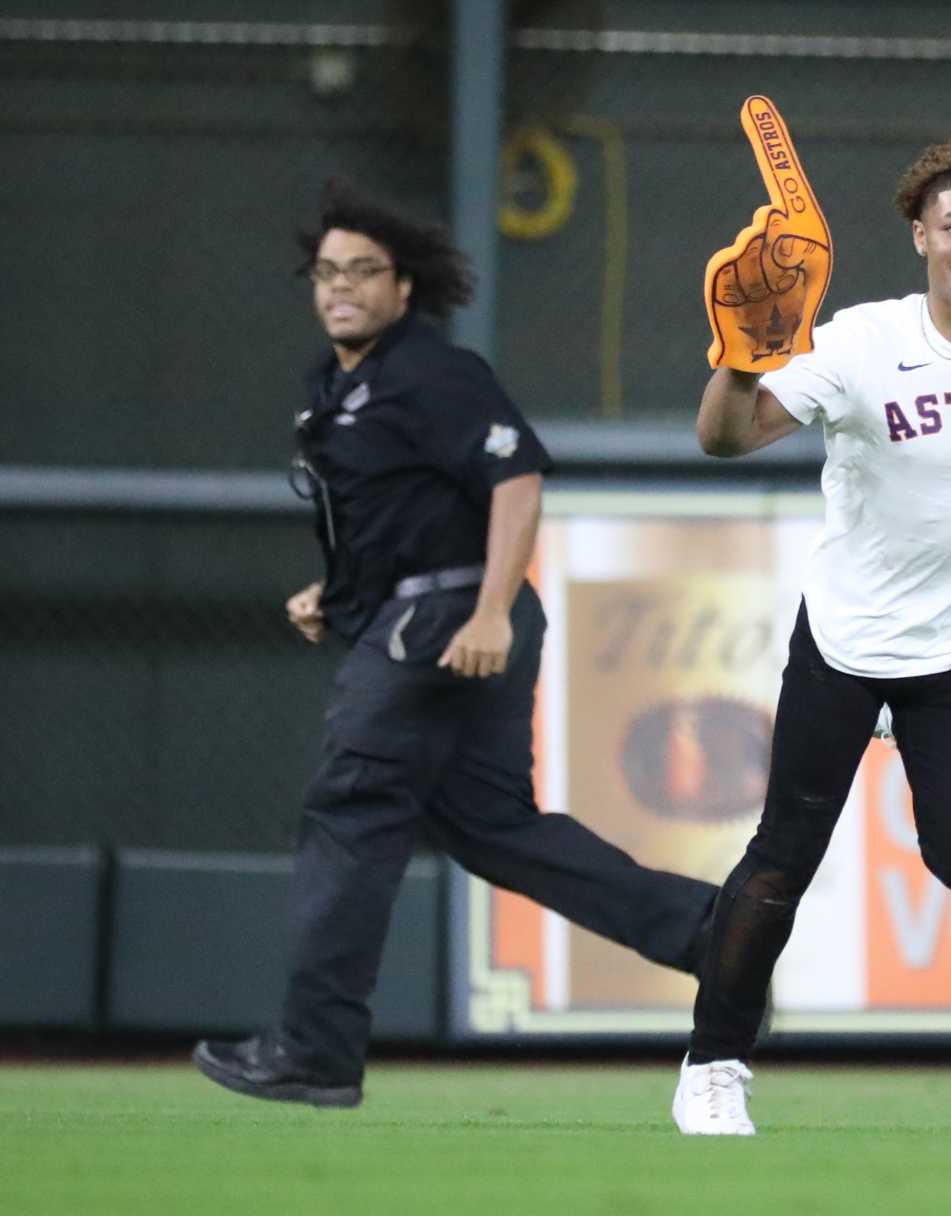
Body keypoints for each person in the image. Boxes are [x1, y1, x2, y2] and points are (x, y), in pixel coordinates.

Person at [192, 179, 719, 1109]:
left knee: (351, 812)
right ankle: (717, 936)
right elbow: (407, 514)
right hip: (422, 611)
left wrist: (484, 611)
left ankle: (314, 1050)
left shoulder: (429, 371)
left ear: (405, 286)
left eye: (363, 272)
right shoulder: (342, 384)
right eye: (325, 273)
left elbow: (516, 482)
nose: (340, 287)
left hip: (446, 625)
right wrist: (338, 589)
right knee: (495, 830)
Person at [678, 135, 951, 1135]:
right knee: (782, 856)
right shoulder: (860, 342)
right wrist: (740, 359)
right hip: (844, 640)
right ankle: (712, 1062)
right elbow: (725, 436)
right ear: (919, 235)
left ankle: (907, 730)